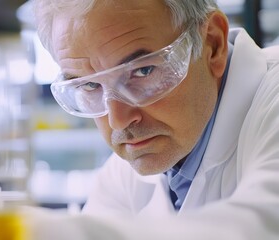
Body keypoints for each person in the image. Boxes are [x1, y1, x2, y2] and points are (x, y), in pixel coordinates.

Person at [25, 0, 279, 239]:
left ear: (213, 45)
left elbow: (262, 227)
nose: (118, 121)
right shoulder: (124, 174)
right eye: (90, 86)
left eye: (143, 71)